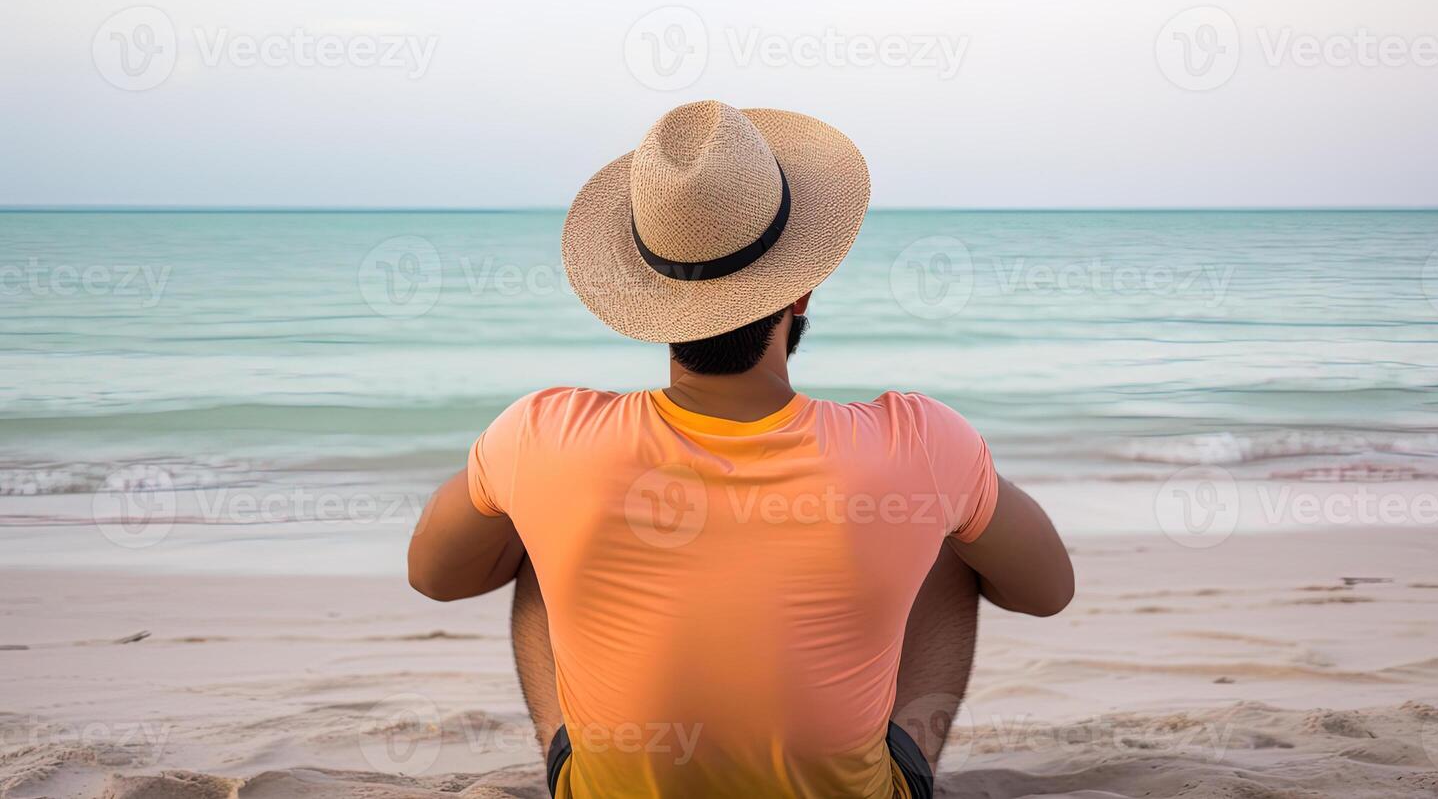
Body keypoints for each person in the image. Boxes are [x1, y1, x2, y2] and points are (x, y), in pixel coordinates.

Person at [408, 101, 1074, 798]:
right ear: (803, 292)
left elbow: (437, 576)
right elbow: (1046, 591)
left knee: (536, 537)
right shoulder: (920, 442)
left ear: (650, 296)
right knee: (943, 533)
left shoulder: (541, 434)